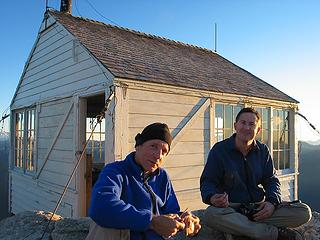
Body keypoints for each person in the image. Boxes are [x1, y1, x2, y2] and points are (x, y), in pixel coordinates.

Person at [200, 107, 311, 240]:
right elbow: (208, 181)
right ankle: (273, 233)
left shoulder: (263, 151)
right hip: (231, 208)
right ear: (236, 126)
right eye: (243, 123)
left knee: (303, 212)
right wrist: (212, 197)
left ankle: (238, 229)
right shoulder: (220, 150)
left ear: (258, 130)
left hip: (257, 208)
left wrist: (271, 202)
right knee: (210, 214)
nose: (247, 128)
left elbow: (271, 180)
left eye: (252, 124)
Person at [86, 122, 201, 240]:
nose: (158, 155)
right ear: (138, 146)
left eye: (164, 151)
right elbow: (100, 207)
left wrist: (184, 220)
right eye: (153, 146)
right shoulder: (115, 171)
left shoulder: (162, 177)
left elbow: (171, 212)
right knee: (104, 226)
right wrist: (152, 221)